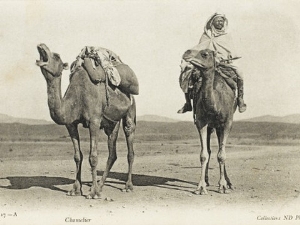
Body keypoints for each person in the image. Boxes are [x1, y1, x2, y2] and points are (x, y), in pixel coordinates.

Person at [178, 13, 247, 113]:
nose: (220, 23)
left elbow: (230, 51)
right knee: (187, 70)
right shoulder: (206, 35)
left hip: (223, 62)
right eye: (218, 20)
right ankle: (188, 103)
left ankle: (240, 99)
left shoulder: (226, 35)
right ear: (212, 22)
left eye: (221, 21)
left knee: (240, 73)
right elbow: (201, 49)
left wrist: (224, 57)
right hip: (207, 62)